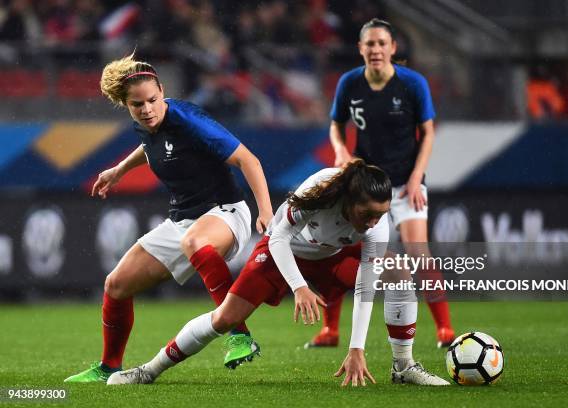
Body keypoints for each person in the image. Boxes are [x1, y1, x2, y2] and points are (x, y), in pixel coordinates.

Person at [105, 160, 449, 386]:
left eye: (380, 215)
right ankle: (148, 370)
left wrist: (356, 348)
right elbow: (278, 238)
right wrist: (299, 286)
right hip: (284, 252)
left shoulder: (376, 225)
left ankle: (403, 367)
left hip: (335, 254)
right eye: (366, 214)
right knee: (225, 319)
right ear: (346, 199)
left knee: (399, 271)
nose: (373, 222)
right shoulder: (317, 191)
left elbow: (366, 287)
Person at [64, 53, 274, 383]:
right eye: (137, 105)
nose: (146, 109)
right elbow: (151, 147)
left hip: (224, 211)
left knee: (196, 241)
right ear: (127, 105)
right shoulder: (146, 123)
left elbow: (249, 160)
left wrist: (266, 212)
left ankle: (239, 334)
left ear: (162, 91)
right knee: (116, 285)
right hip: (182, 220)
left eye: (152, 100)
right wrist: (119, 169)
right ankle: (108, 366)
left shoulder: (188, 119)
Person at [310, 18, 455, 349]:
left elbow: (429, 132)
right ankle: (330, 331)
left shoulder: (412, 83)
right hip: (366, 185)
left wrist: (417, 177)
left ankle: (444, 329)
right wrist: (341, 149)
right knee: (341, 251)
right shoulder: (350, 83)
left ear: (392, 48)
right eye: (370, 44)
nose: (376, 49)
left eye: (381, 43)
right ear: (361, 49)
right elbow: (336, 125)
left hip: (406, 182)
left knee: (418, 253)